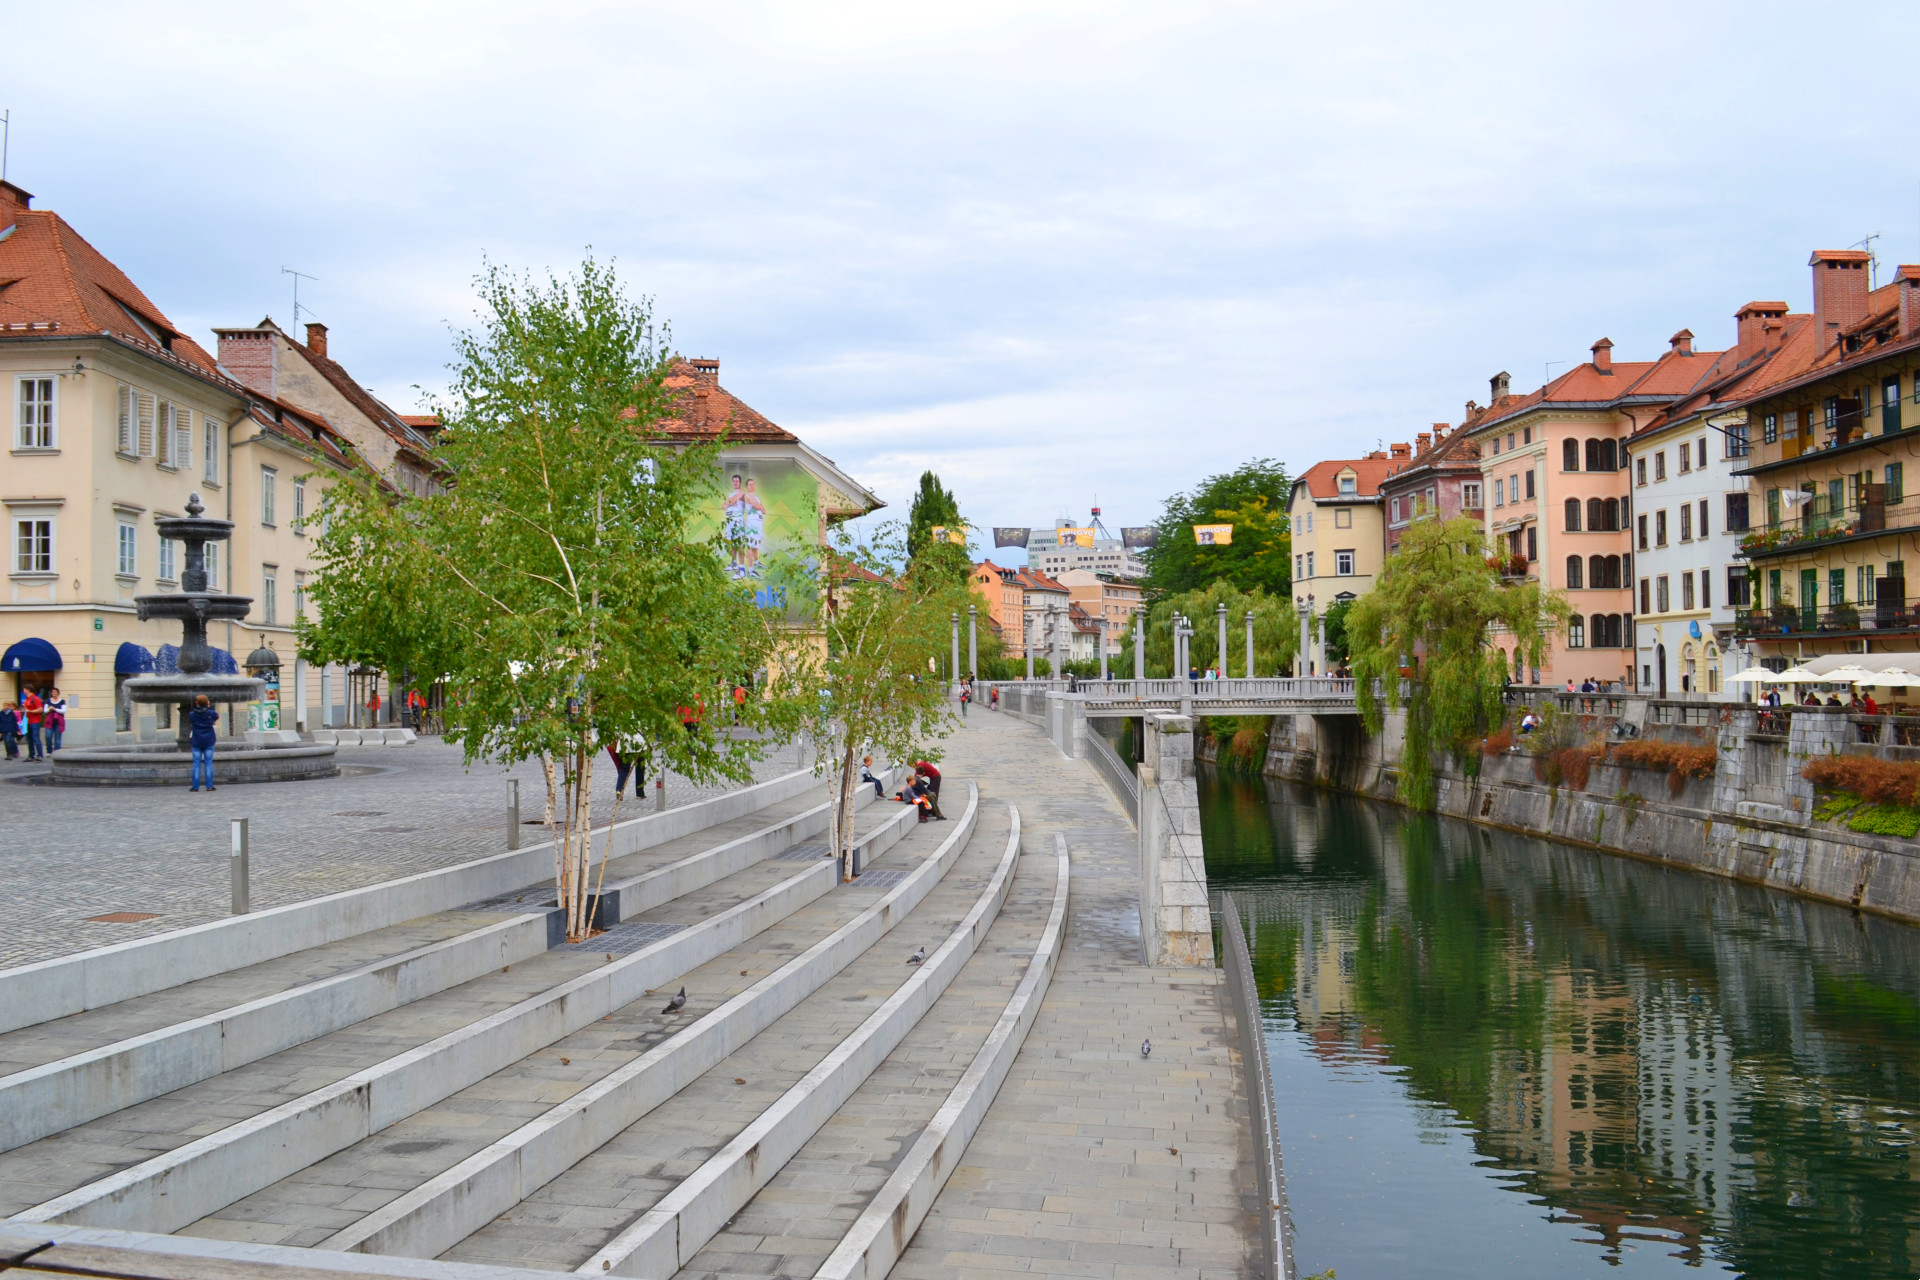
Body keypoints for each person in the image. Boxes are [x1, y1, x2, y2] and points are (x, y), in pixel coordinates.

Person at [188, 693, 220, 791]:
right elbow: (216, 716)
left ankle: (195, 787)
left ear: (197, 703)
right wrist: (208, 708)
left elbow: (191, 720)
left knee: (196, 764)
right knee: (208, 763)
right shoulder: (211, 713)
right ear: (207, 703)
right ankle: (209, 786)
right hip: (209, 740)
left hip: (196, 740)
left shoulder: (192, 714)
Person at [19, 688, 43, 761]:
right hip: (27, 721)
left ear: (28, 690)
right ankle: (31, 755)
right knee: (29, 739)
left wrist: (30, 711)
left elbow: (40, 709)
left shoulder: (35, 699)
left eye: (24, 689)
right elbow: (26, 710)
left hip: (35, 721)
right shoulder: (27, 699)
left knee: (36, 738)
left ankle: (40, 755)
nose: (23, 691)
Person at [43, 687, 65, 753]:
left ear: (58, 693)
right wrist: (49, 709)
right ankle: (49, 751)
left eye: (55, 692)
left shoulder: (62, 701)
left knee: (57, 739)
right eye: (53, 692)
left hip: (58, 722)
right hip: (49, 721)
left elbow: (64, 711)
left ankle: (57, 752)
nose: (54, 693)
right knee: (48, 736)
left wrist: (55, 709)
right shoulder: (48, 700)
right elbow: (45, 710)